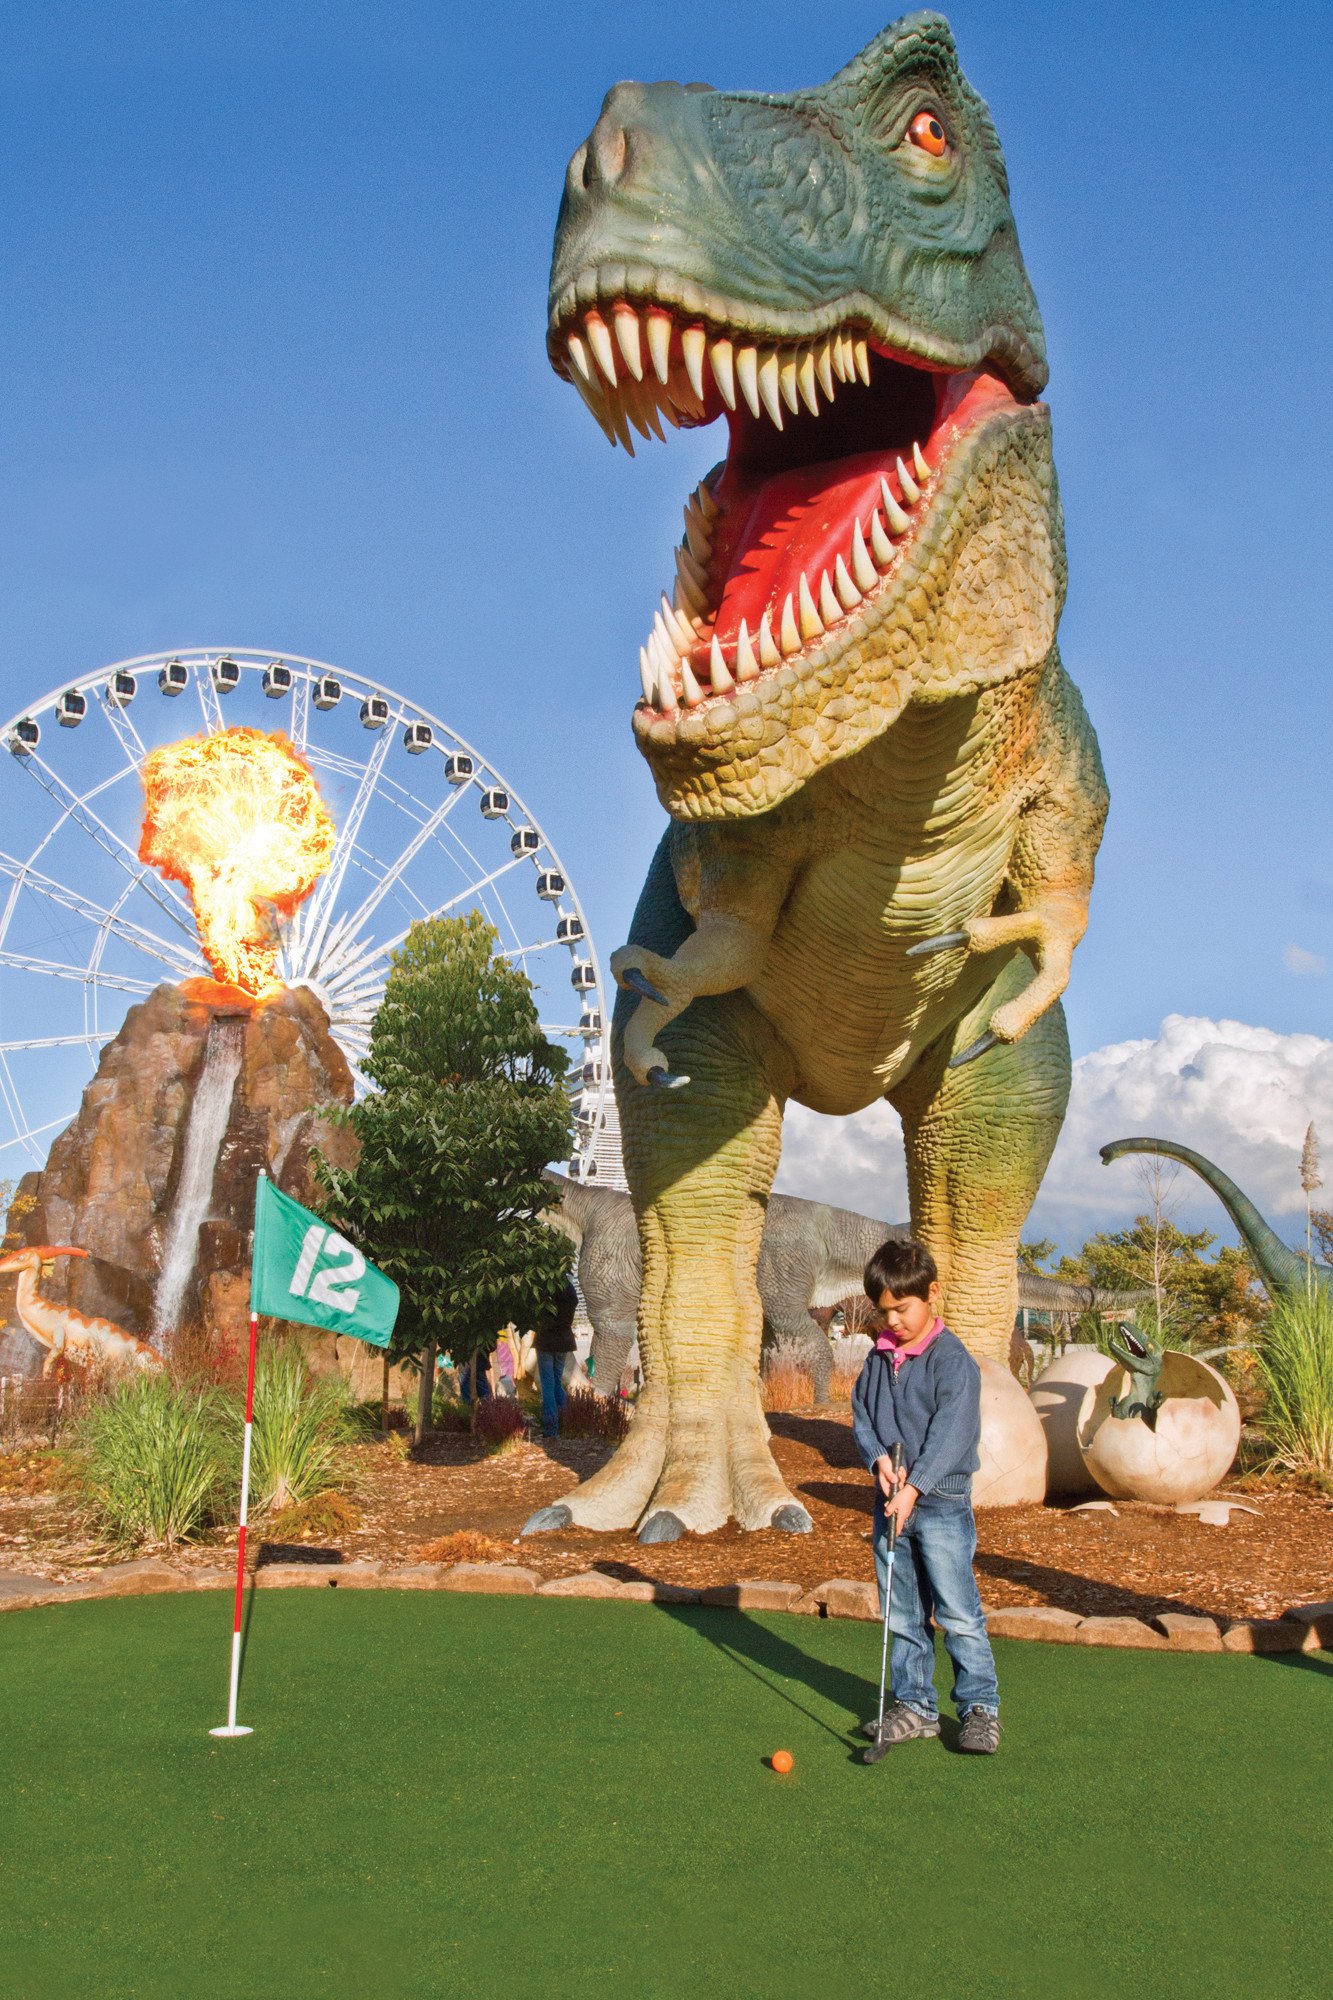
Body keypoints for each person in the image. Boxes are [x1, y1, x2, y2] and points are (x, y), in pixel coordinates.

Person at [851, 1237, 1001, 1756]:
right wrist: (880, 1461)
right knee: (902, 1611)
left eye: (902, 1308)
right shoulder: (877, 1358)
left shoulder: (952, 1359)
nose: (891, 1320)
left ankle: (980, 1709)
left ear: (930, 1294)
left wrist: (915, 1486)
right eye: (883, 1310)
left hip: (941, 1500)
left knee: (958, 1611)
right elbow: (863, 1415)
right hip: (891, 1500)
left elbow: (953, 1432)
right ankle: (916, 1706)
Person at [534, 1278, 578, 1438]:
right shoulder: (569, 1288)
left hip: (546, 1340)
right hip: (564, 1340)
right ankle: (571, 1423)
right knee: (556, 1384)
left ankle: (551, 1430)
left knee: (548, 1386)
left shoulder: (545, 1286)